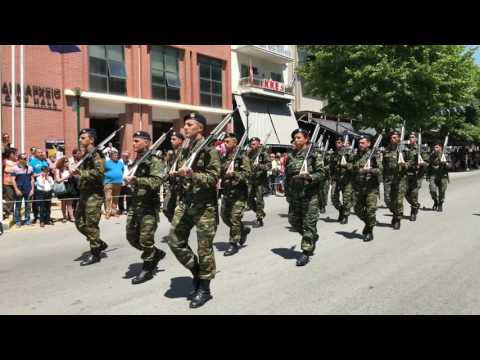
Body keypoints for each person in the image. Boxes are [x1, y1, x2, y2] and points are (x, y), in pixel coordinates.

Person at [168, 112, 220, 309]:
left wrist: (192, 175)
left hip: (204, 206)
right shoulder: (184, 149)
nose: (185, 128)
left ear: (200, 128)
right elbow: (178, 173)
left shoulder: (209, 150)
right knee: (174, 240)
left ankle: (204, 289)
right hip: (185, 203)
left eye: (190, 124)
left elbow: (214, 178)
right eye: (185, 124)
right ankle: (196, 271)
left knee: (204, 248)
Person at [123, 131, 167, 284]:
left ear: (147, 142)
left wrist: (137, 181)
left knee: (146, 239)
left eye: (137, 141)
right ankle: (155, 253)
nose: (133, 144)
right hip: (135, 205)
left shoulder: (154, 161)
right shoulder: (137, 160)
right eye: (133, 141)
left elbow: (156, 182)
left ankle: (147, 269)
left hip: (148, 206)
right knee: (131, 237)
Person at [285, 128, 326, 267]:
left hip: (310, 195)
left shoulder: (314, 155)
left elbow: (322, 174)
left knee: (309, 224)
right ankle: (312, 237)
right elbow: (287, 176)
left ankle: (306, 252)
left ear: (306, 139)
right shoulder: (291, 156)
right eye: (294, 138)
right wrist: (288, 194)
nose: (296, 140)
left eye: (298, 138)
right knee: (293, 221)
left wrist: (310, 177)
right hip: (295, 195)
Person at [73, 128, 108, 266]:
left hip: (94, 194)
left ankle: (95, 254)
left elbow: (100, 173)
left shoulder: (96, 154)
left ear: (91, 139)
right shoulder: (86, 155)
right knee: (79, 222)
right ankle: (98, 242)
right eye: (80, 138)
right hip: (84, 193)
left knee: (91, 224)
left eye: (83, 138)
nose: (80, 140)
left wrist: (81, 173)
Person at [220, 133, 252, 256]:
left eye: (228, 141)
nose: (225, 144)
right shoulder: (225, 157)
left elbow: (248, 174)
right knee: (224, 217)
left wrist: (234, 174)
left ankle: (233, 244)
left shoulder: (242, 156)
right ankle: (242, 230)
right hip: (227, 192)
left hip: (239, 194)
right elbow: (220, 172)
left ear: (235, 143)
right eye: (224, 141)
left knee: (235, 219)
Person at [352, 135, 381, 242]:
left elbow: (380, 170)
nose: (360, 145)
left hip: (371, 188)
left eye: (363, 143)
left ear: (369, 143)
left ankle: (369, 230)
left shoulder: (374, 155)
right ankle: (369, 222)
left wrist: (370, 170)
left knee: (371, 210)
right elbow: (354, 168)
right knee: (357, 209)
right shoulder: (356, 155)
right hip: (359, 187)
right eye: (359, 143)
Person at [382, 130, 407, 230]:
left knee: (399, 201)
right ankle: (396, 213)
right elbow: (383, 164)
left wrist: (405, 164)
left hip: (400, 178)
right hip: (388, 179)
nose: (394, 139)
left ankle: (397, 219)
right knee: (388, 199)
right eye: (393, 137)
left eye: (396, 137)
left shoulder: (404, 150)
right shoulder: (386, 150)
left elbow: (413, 162)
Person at [246, 137, 271, 227]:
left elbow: (269, 165)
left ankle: (259, 219)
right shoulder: (248, 153)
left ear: (259, 144)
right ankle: (260, 212)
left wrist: (260, 166)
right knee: (249, 200)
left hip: (260, 180)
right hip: (251, 179)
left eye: (255, 143)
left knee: (259, 200)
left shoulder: (263, 153)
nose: (253, 145)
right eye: (251, 144)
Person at [404, 132, 428, 221]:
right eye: (410, 137)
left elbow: (427, 162)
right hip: (407, 174)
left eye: (413, 137)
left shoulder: (420, 149)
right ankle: (416, 205)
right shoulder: (405, 149)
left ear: (416, 139)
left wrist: (422, 164)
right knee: (406, 193)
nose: (411, 138)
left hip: (417, 175)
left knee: (414, 193)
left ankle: (413, 212)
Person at [329, 136, 353, 224]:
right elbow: (331, 167)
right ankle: (341, 210)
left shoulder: (349, 153)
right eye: (336, 143)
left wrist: (346, 165)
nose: (337, 144)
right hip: (336, 179)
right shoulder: (334, 154)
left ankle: (345, 216)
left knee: (346, 199)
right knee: (333, 198)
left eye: (339, 142)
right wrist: (331, 177)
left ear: (343, 143)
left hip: (347, 180)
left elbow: (355, 166)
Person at [163, 131, 185, 223]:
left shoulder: (184, 153)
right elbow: (167, 170)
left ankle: (177, 229)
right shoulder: (171, 154)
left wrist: (177, 173)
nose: (171, 141)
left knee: (178, 211)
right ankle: (176, 227)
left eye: (174, 139)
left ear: (180, 141)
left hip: (181, 187)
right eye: (171, 139)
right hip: (172, 187)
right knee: (166, 209)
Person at [11, 153, 35, 227]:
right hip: (19, 189)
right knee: (18, 206)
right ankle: (18, 221)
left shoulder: (30, 168)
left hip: (28, 189)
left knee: (28, 206)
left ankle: (27, 220)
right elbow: (13, 180)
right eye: (24, 159)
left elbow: (32, 179)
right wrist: (16, 190)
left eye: (26, 159)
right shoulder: (15, 168)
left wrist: (32, 189)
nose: (26, 160)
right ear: (20, 159)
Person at [427, 140, 449, 212]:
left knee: (442, 191)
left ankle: (440, 204)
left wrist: (446, 163)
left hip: (443, 176)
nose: (435, 148)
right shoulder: (432, 155)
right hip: (433, 175)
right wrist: (428, 175)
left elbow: (451, 165)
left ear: (440, 147)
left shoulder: (445, 155)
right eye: (434, 147)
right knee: (432, 190)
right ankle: (435, 201)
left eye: (437, 147)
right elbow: (429, 166)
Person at [28, 148, 49, 224]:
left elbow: (47, 171)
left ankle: (45, 218)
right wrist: (40, 174)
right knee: (37, 202)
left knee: (46, 202)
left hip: (46, 184)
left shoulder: (44, 161)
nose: (41, 153)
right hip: (37, 184)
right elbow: (31, 174)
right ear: (35, 153)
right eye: (39, 152)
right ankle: (36, 217)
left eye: (41, 152)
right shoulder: (32, 162)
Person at [55, 157, 76, 223]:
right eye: (66, 162)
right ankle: (64, 217)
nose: (67, 163)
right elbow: (58, 180)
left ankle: (72, 217)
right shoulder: (58, 170)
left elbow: (73, 176)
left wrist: (71, 173)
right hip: (62, 186)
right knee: (63, 203)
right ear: (62, 163)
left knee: (70, 203)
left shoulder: (69, 169)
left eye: (68, 161)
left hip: (70, 186)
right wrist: (67, 177)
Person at [103, 150, 124, 219]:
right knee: (108, 198)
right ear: (111, 156)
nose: (116, 156)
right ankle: (108, 212)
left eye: (117, 155)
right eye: (114, 155)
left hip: (118, 182)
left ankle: (114, 211)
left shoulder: (120, 163)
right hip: (108, 182)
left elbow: (122, 170)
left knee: (116, 198)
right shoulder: (106, 163)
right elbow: (102, 171)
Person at [3, 148, 17, 219]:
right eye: (14, 153)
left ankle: (10, 211)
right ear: (10, 154)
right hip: (6, 182)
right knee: (9, 197)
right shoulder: (5, 161)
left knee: (13, 198)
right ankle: (7, 212)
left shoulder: (16, 162)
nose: (15, 155)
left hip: (14, 183)